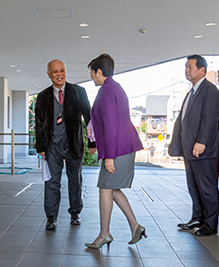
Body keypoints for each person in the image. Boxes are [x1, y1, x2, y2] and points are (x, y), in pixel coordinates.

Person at [84, 54, 145, 249]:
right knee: (111, 188)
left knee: (105, 187)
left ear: (99, 72)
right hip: (123, 146)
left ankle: (104, 234)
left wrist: (109, 156)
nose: (92, 77)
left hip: (118, 148)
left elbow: (110, 125)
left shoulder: (107, 90)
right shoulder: (114, 87)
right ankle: (134, 226)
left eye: (92, 73)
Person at [35, 59, 95, 230]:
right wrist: (41, 148)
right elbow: (39, 123)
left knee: (75, 180)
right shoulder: (43, 96)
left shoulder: (78, 92)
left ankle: (75, 213)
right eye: (55, 71)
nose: (59, 74)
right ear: (49, 74)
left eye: (62, 70)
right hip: (52, 145)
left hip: (73, 144)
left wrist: (92, 142)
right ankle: (51, 217)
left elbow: (89, 118)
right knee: (52, 182)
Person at [169, 55, 219, 236]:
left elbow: (210, 120)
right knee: (194, 186)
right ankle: (197, 217)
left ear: (202, 70)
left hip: (203, 149)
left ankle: (210, 225)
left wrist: (201, 142)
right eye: (186, 67)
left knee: (207, 187)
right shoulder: (192, 91)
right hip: (190, 149)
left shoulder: (210, 91)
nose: (187, 70)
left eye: (190, 67)